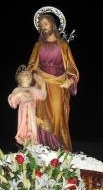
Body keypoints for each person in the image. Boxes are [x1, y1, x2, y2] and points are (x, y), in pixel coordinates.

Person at [27, 12, 80, 151]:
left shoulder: (63, 45)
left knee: (57, 115)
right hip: (40, 85)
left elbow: (72, 68)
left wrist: (70, 81)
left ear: (53, 25)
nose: (43, 27)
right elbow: (31, 66)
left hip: (58, 85)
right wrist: (35, 76)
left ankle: (58, 149)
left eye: (45, 23)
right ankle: (41, 148)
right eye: (41, 25)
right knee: (40, 116)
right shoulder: (38, 45)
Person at [8, 68, 46, 146]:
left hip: (32, 111)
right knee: (23, 127)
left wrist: (43, 85)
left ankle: (32, 143)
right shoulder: (17, 89)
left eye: (29, 75)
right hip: (23, 111)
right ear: (20, 78)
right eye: (25, 74)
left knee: (32, 127)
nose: (28, 76)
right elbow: (12, 102)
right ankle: (24, 144)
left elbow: (43, 96)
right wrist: (20, 94)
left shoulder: (33, 89)